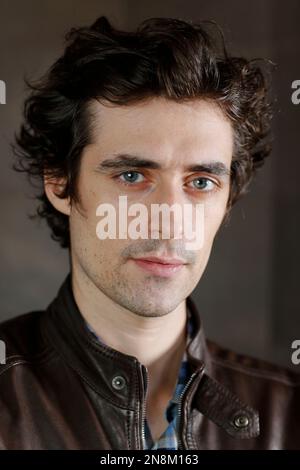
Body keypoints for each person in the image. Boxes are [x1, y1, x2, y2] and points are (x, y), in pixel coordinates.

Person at [0, 15, 299, 450]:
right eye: (132, 176)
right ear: (61, 183)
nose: (170, 219)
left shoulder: (288, 418)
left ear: (228, 200)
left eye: (201, 183)